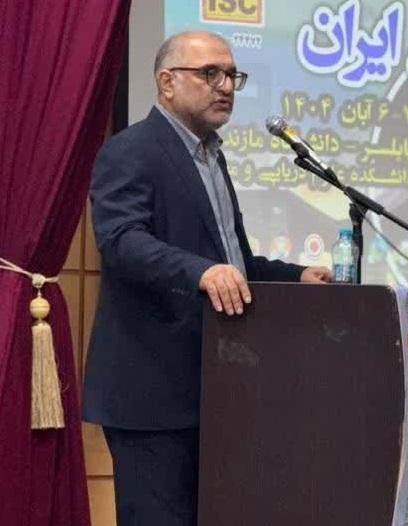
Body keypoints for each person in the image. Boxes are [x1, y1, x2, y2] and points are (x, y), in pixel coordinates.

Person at [82, 31, 331, 525]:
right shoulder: (132, 150)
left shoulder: (212, 158)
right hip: (151, 396)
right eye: (210, 74)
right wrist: (201, 272)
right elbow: (122, 241)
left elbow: (231, 261)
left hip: (213, 391)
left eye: (233, 75)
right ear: (166, 82)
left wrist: (297, 275)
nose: (226, 86)